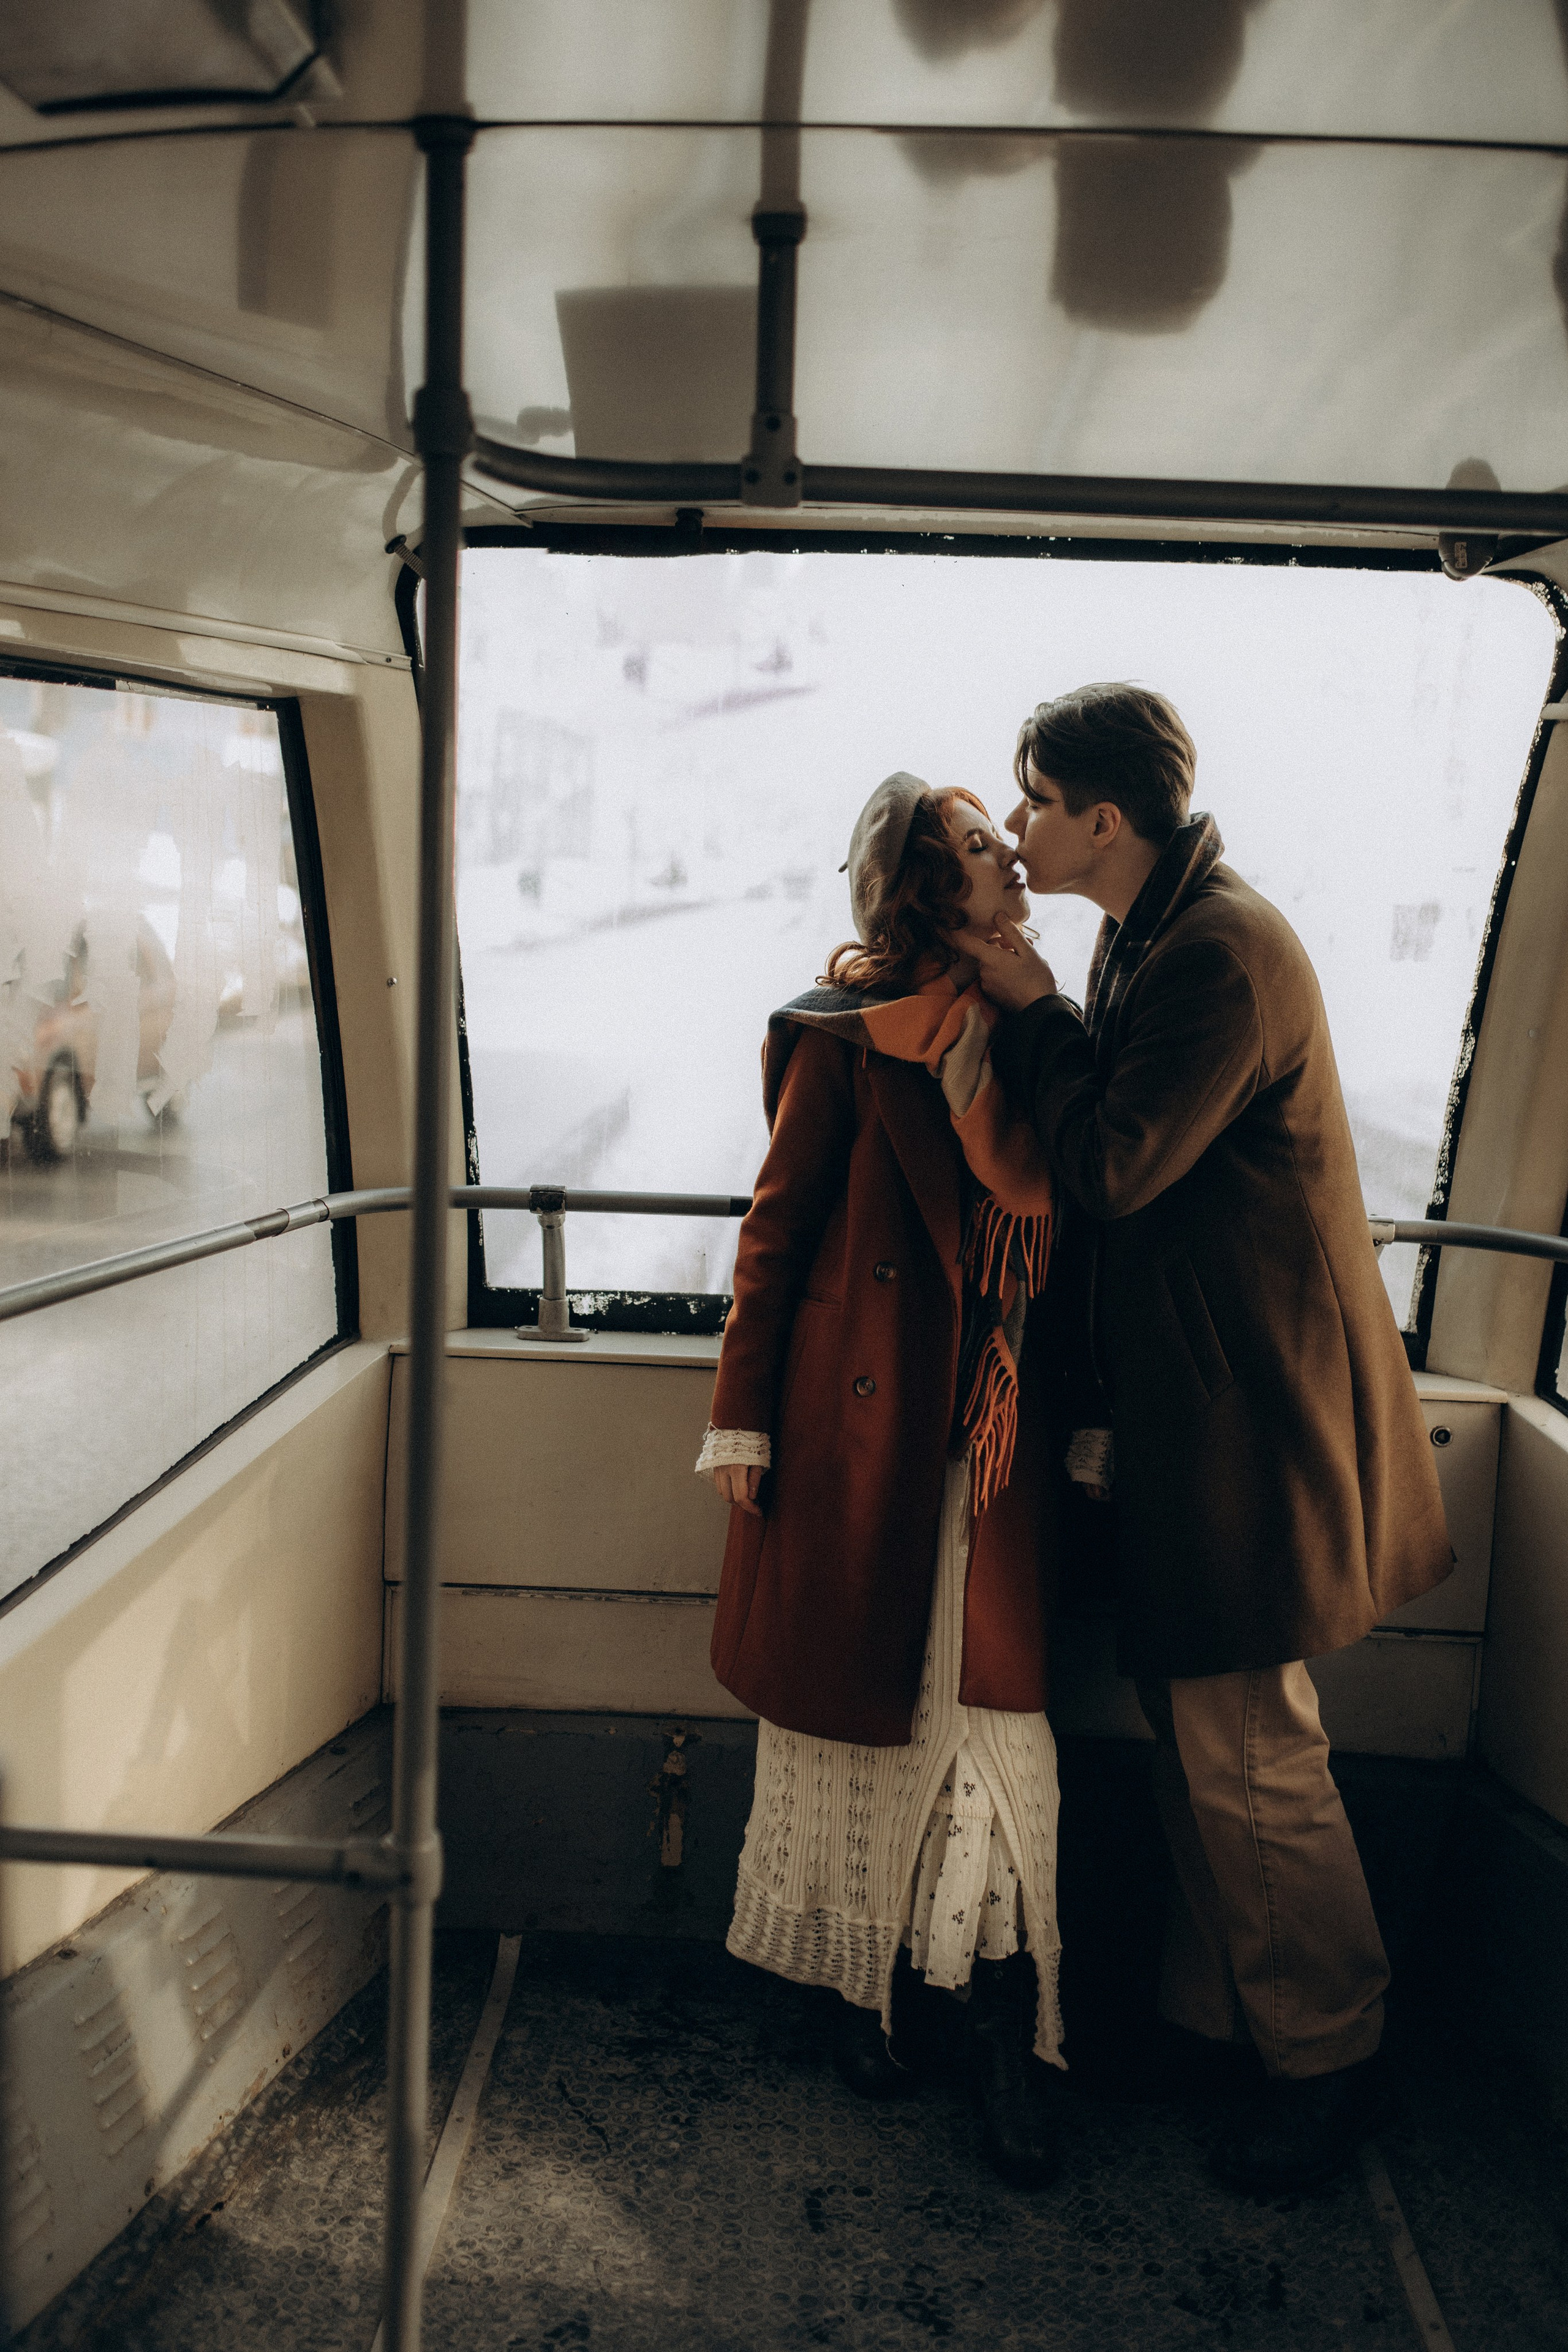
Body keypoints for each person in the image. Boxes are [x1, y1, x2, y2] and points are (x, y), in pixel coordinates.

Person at [963, 683, 1452, 2196]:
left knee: (1250, 1756)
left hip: (1252, 1422)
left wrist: (1030, 1013)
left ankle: (1333, 2060)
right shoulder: (1158, 928)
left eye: (1035, 799)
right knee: (1200, 1746)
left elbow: (1113, 1164)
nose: (1017, 823)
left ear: (1103, 819)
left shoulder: (1214, 955)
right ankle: (1214, 2024)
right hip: (1208, 1410)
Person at [696, 772, 1076, 2189]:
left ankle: (999, 2028)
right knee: (861, 1716)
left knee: (991, 1739)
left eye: (1001, 839)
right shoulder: (842, 1036)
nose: (1007, 858)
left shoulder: (1035, 1032)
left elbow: (1084, 1239)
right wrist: (740, 1423)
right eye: (976, 847)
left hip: (994, 1437)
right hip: (859, 1432)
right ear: (923, 885)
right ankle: (851, 1989)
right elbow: (774, 1231)